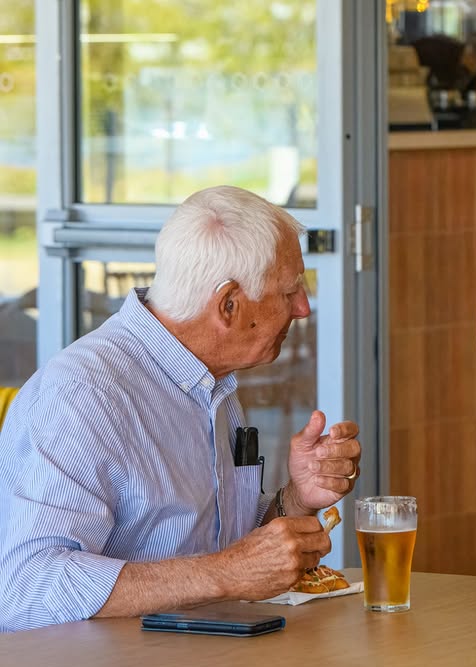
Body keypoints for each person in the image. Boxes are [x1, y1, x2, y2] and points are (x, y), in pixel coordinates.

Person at [0, 186, 361, 632]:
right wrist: (225, 573)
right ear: (228, 305)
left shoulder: (210, 380)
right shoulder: (84, 395)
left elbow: (220, 547)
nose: (303, 308)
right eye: (289, 292)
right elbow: (26, 587)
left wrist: (295, 499)